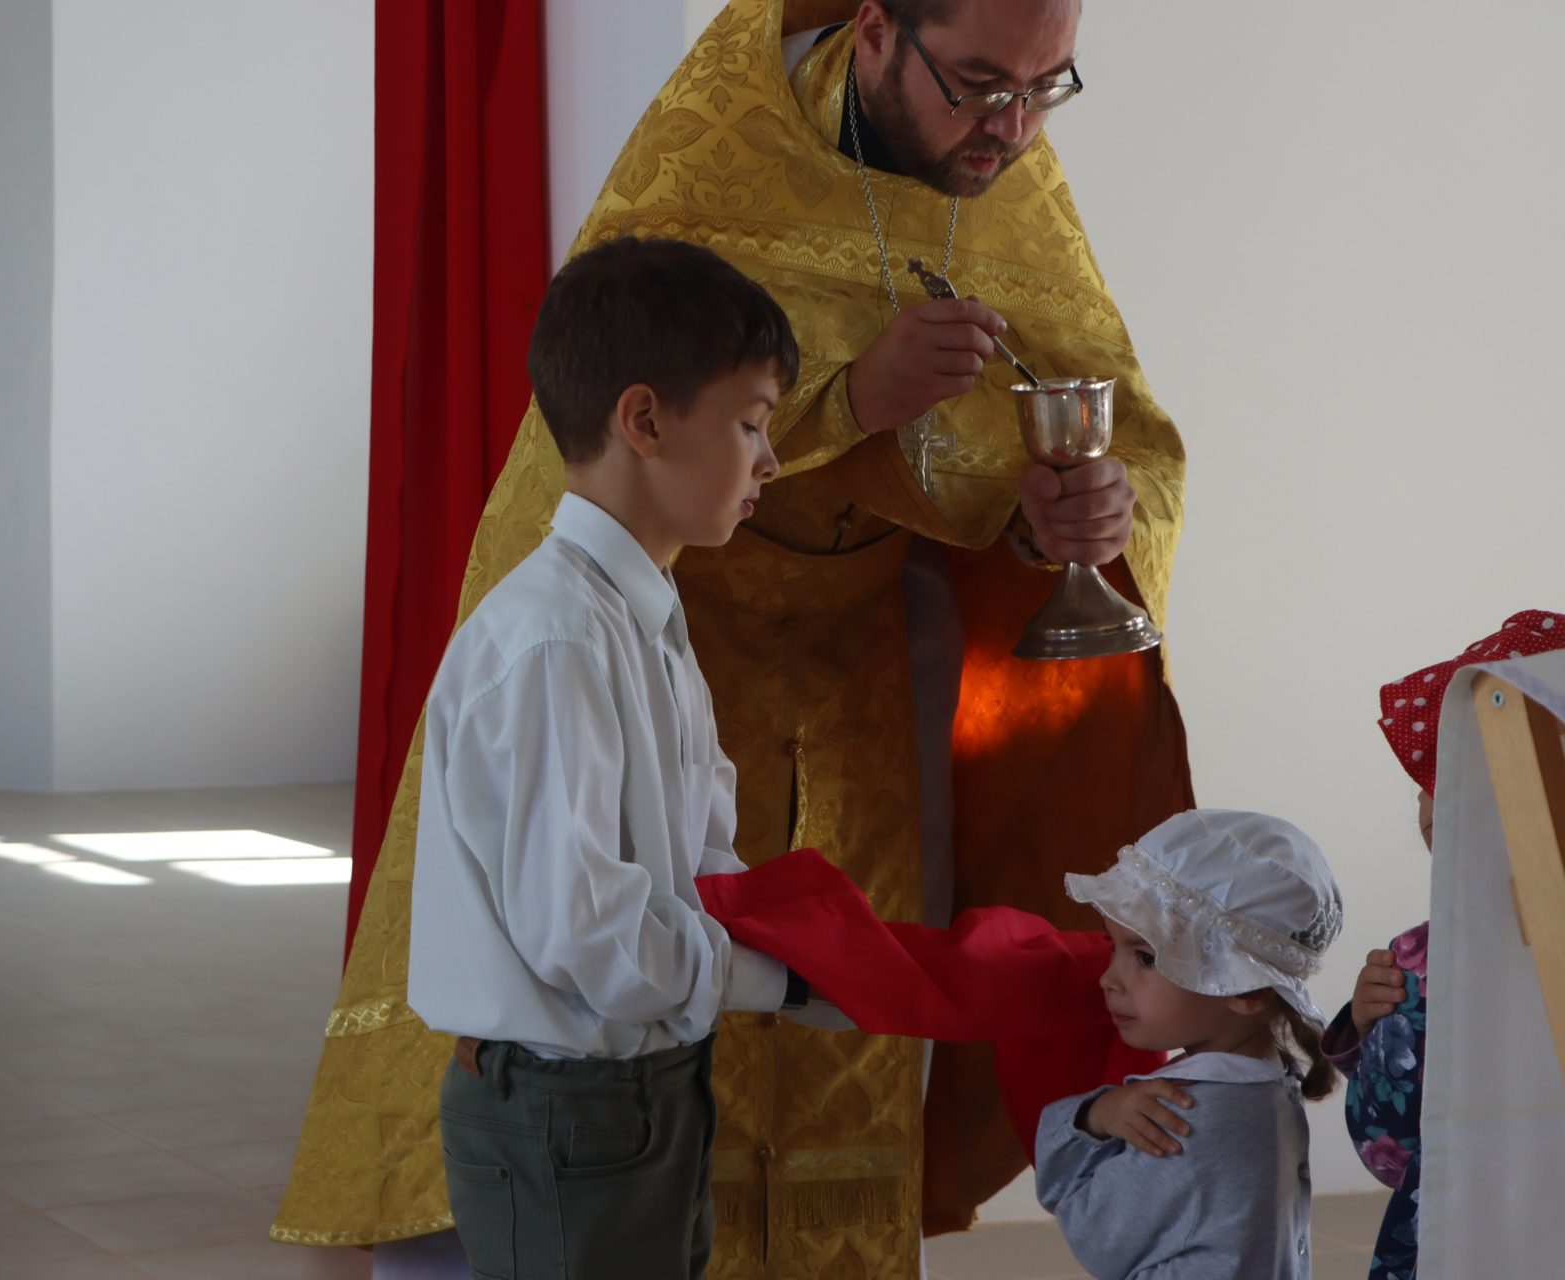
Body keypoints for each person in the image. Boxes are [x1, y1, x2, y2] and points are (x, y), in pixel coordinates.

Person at [278, 1, 1192, 1272]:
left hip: (865, 685)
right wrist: (855, 396)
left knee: (758, 1130)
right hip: (700, 659)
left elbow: (1099, 434)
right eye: (981, 83)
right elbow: (588, 925)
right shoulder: (721, 148)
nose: (1013, 128)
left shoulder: (1009, 175)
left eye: (1048, 89)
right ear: (876, 32)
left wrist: (1061, 524)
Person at [407, 235, 825, 1278]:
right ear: (645, 421)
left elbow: (697, 861)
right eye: (750, 422)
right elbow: (585, 930)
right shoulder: (557, 641)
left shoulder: (644, 613)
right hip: (567, 1108)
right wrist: (780, 981)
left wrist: (826, 950)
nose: (769, 460)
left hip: (645, 1084)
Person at [1320, 609, 1565, 1280]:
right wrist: (1366, 1025)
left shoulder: (1428, 960)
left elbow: (1389, 1144)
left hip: (1481, 1230)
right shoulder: (1420, 962)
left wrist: (1380, 1038)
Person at [1035, 810, 1344, 1279]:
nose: (1108, 979)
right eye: (1114, 948)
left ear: (1245, 990)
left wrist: (1093, 1116)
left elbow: (1095, 1237)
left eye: (1145, 958)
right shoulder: (1268, 1087)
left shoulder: (1185, 1117)